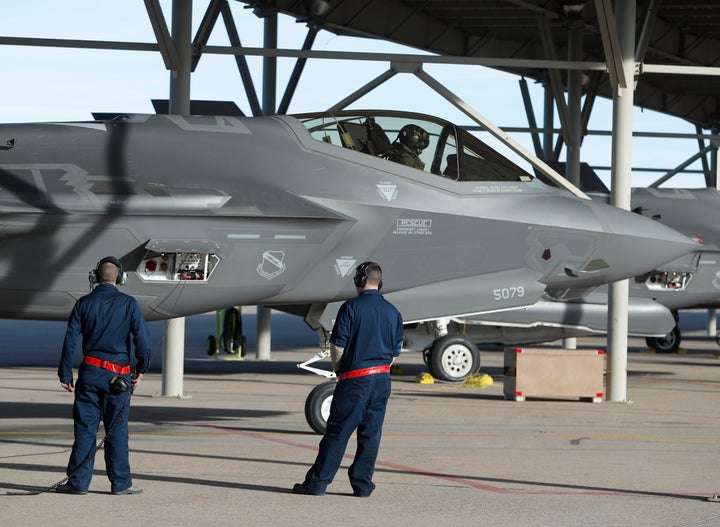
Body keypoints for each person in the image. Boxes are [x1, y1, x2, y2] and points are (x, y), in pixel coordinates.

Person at [293, 261, 403, 497]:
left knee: (338, 432)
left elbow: (338, 346)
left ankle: (318, 483)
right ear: (379, 282)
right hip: (382, 379)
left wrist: (342, 371)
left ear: (359, 281)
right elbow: (395, 351)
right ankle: (362, 485)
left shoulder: (350, 308)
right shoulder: (394, 312)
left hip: (356, 379)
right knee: (370, 434)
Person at [55, 256, 151, 495]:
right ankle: (120, 483)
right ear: (121, 278)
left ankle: (78, 483)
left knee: (85, 430)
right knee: (116, 431)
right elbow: (142, 340)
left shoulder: (83, 303)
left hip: (89, 373)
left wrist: (65, 372)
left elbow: (70, 340)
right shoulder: (129, 303)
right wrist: (141, 368)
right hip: (118, 377)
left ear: (94, 277)